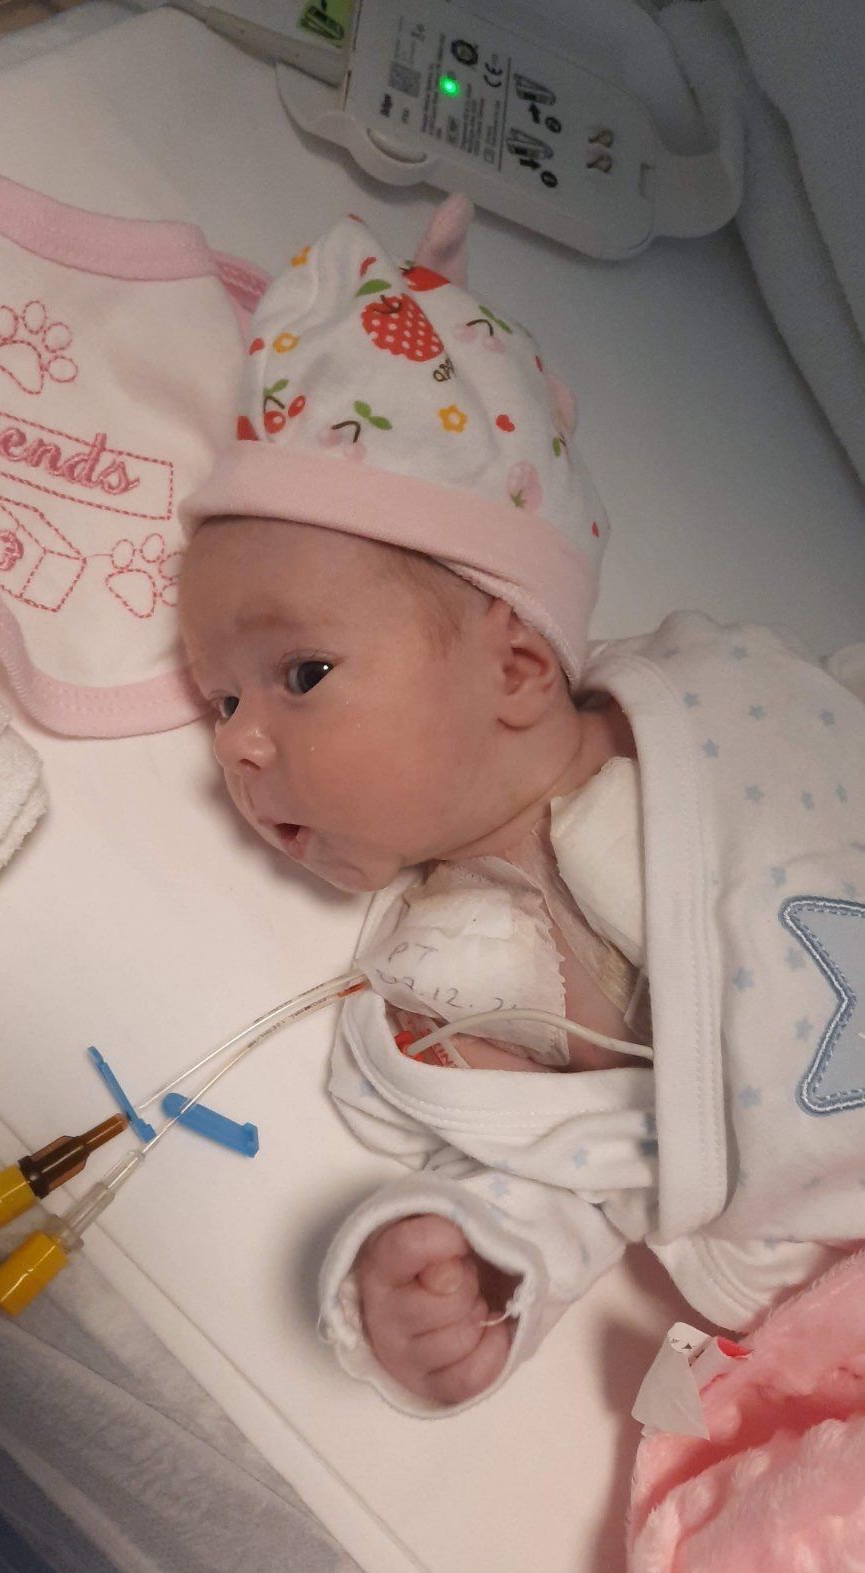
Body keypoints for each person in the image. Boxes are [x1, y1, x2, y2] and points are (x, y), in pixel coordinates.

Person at [179, 197, 865, 1415]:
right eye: (218, 699)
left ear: (514, 667)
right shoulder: (442, 1004)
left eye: (301, 673)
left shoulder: (723, 699)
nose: (236, 742)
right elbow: (573, 1176)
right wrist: (458, 1256)